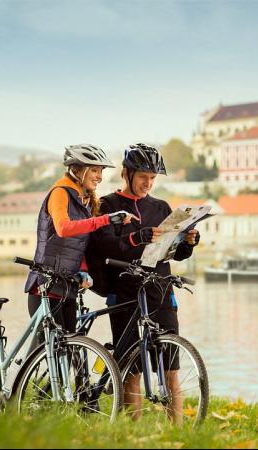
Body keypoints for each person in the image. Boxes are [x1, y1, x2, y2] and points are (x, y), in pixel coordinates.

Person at [87, 143, 200, 424]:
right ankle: (131, 431)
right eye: (143, 177)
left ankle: (179, 432)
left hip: (160, 289)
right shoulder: (108, 205)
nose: (148, 183)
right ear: (127, 173)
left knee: (171, 366)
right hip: (124, 290)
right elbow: (104, 246)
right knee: (131, 369)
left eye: (152, 178)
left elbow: (174, 252)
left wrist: (189, 243)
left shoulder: (161, 206)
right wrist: (138, 237)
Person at [24, 144, 136, 340]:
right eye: (94, 170)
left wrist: (83, 269)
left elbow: (79, 242)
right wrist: (107, 219)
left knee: (70, 348)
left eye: (101, 170)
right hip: (46, 285)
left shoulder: (82, 200)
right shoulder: (60, 192)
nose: (100, 176)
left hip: (67, 285)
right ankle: (22, 370)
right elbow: (64, 228)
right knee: (52, 350)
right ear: (76, 170)